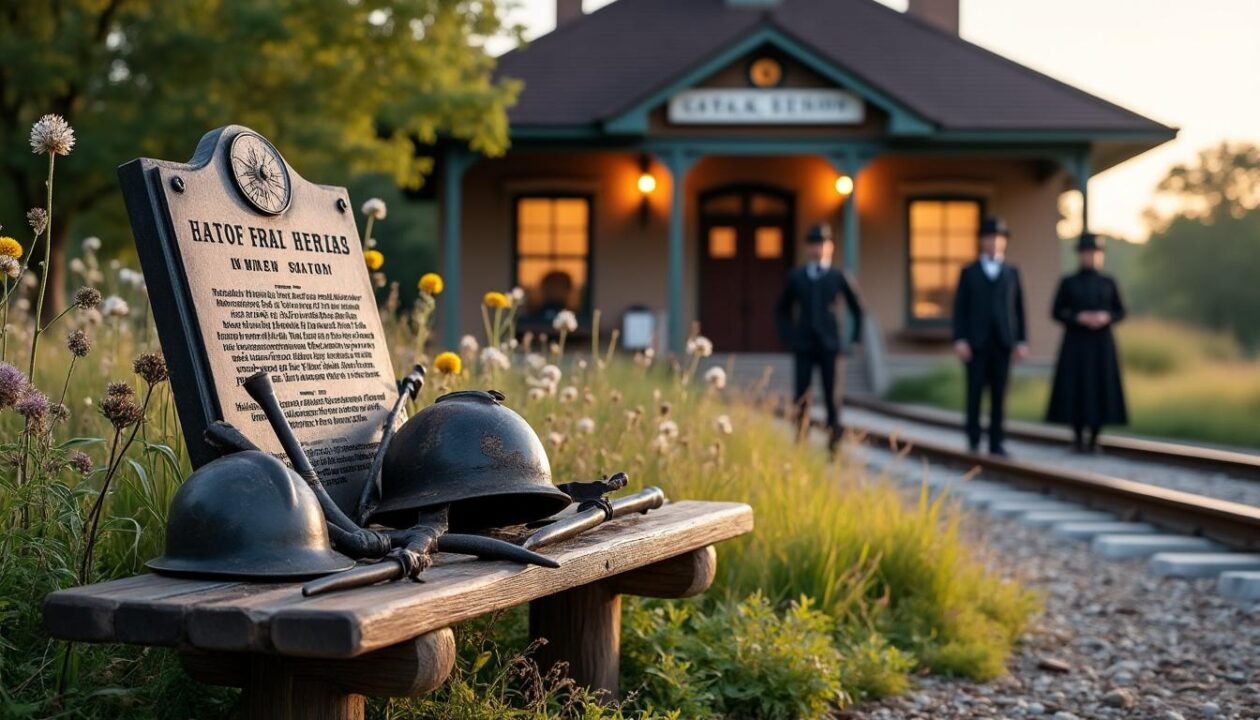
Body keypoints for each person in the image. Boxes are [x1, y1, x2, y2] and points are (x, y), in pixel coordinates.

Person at [774, 222, 864, 448]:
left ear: (830, 247)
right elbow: (781, 310)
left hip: (830, 345)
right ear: (808, 248)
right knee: (802, 396)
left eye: (822, 244)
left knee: (832, 397)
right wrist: (789, 338)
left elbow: (858, 308)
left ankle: (833, 445)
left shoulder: (839, 275)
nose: (818, 249)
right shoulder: (797, 276)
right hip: (804, 344)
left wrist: (853, 340)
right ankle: (800, 440)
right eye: (814, 244)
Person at [952, 216, 1028, 456]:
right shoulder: (969, 272)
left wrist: (1021, 341)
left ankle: (997, 442)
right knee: (974, 392)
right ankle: (973, 439)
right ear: (981, 241)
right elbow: (960, 308)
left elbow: (1019, 309)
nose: (994, 242)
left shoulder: (1012, 272)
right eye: (989, 238)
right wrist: (960, 339)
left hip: (1003, 342)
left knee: (999, 395)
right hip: (976, 343)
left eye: (998, 238)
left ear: (1004, 241)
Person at [1045, 232, 1127, 452]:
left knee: (1100, 387)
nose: (1090, 257)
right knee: (1076, 387)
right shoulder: (1068, 282)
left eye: (1094, 253)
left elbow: (1120, 311)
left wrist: (1105, 317)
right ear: (1080, 255)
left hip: (1101, 344)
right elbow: (1056, 311)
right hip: (1076, 344)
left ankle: (1095, 436)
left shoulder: (1109, 282)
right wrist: (1077, 317)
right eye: (1086, 253)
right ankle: (1078, 436)